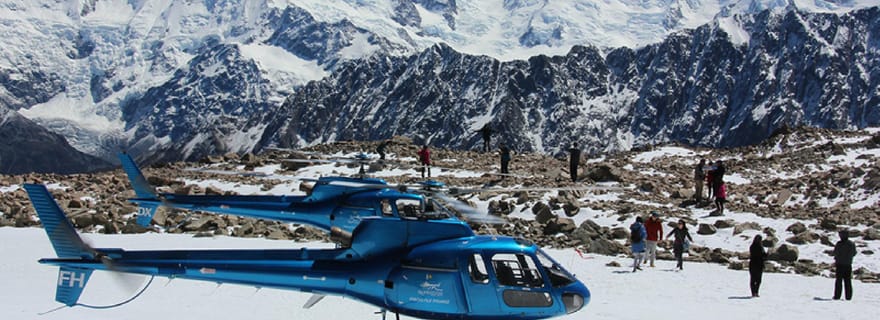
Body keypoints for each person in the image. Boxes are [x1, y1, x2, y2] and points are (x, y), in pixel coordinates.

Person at [832, 230, 857, 300]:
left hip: (840, 265)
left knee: (839, 281)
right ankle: (848, 297)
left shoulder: (839, 243)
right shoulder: (851, 244)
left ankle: (837, 296)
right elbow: (854, 253)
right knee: (848, 281)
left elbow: (835, 252)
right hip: (848, 265)